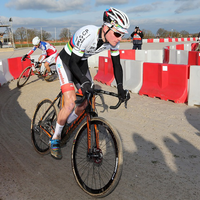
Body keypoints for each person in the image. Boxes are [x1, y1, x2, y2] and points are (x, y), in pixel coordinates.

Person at [50, 7, 130, 159]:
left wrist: (120, 88)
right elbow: (73, 62)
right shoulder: (88, 33)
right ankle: (55, 137)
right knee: (70, 103)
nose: (120, 38)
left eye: (123, 34)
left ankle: (66, 123)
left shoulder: (113, 41)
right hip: (67, 61)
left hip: (81, 63)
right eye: (118, 33)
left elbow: (117, 65)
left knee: (86, 102)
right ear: (106, 27)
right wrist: (84, 80)